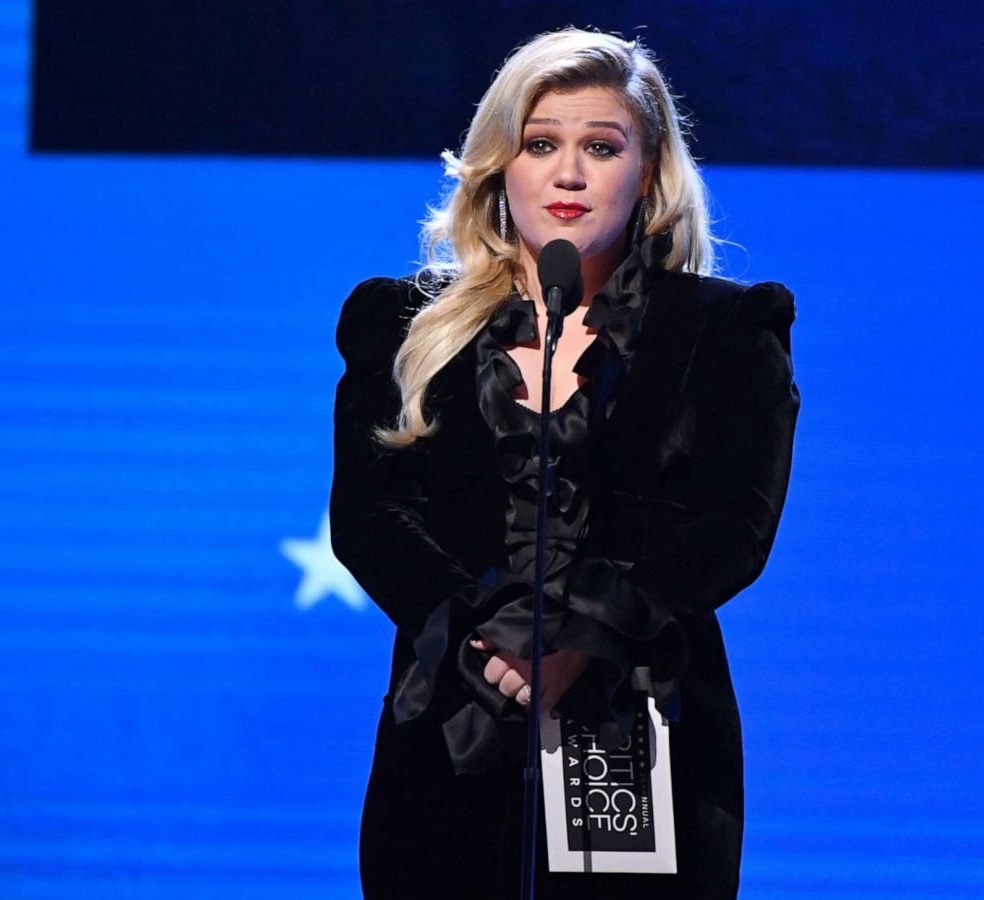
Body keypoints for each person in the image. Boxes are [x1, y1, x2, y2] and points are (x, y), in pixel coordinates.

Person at [329, 27, 799, 900]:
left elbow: (732, 529)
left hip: (637, 727)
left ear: (650, 171)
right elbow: (371, 518)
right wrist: (492, 640)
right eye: (541, 144)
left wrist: (580, 640)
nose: (569, 174)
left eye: (601, 147)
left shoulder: (728, 330)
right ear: (499, 164)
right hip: (453, 722)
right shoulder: (401, 326)